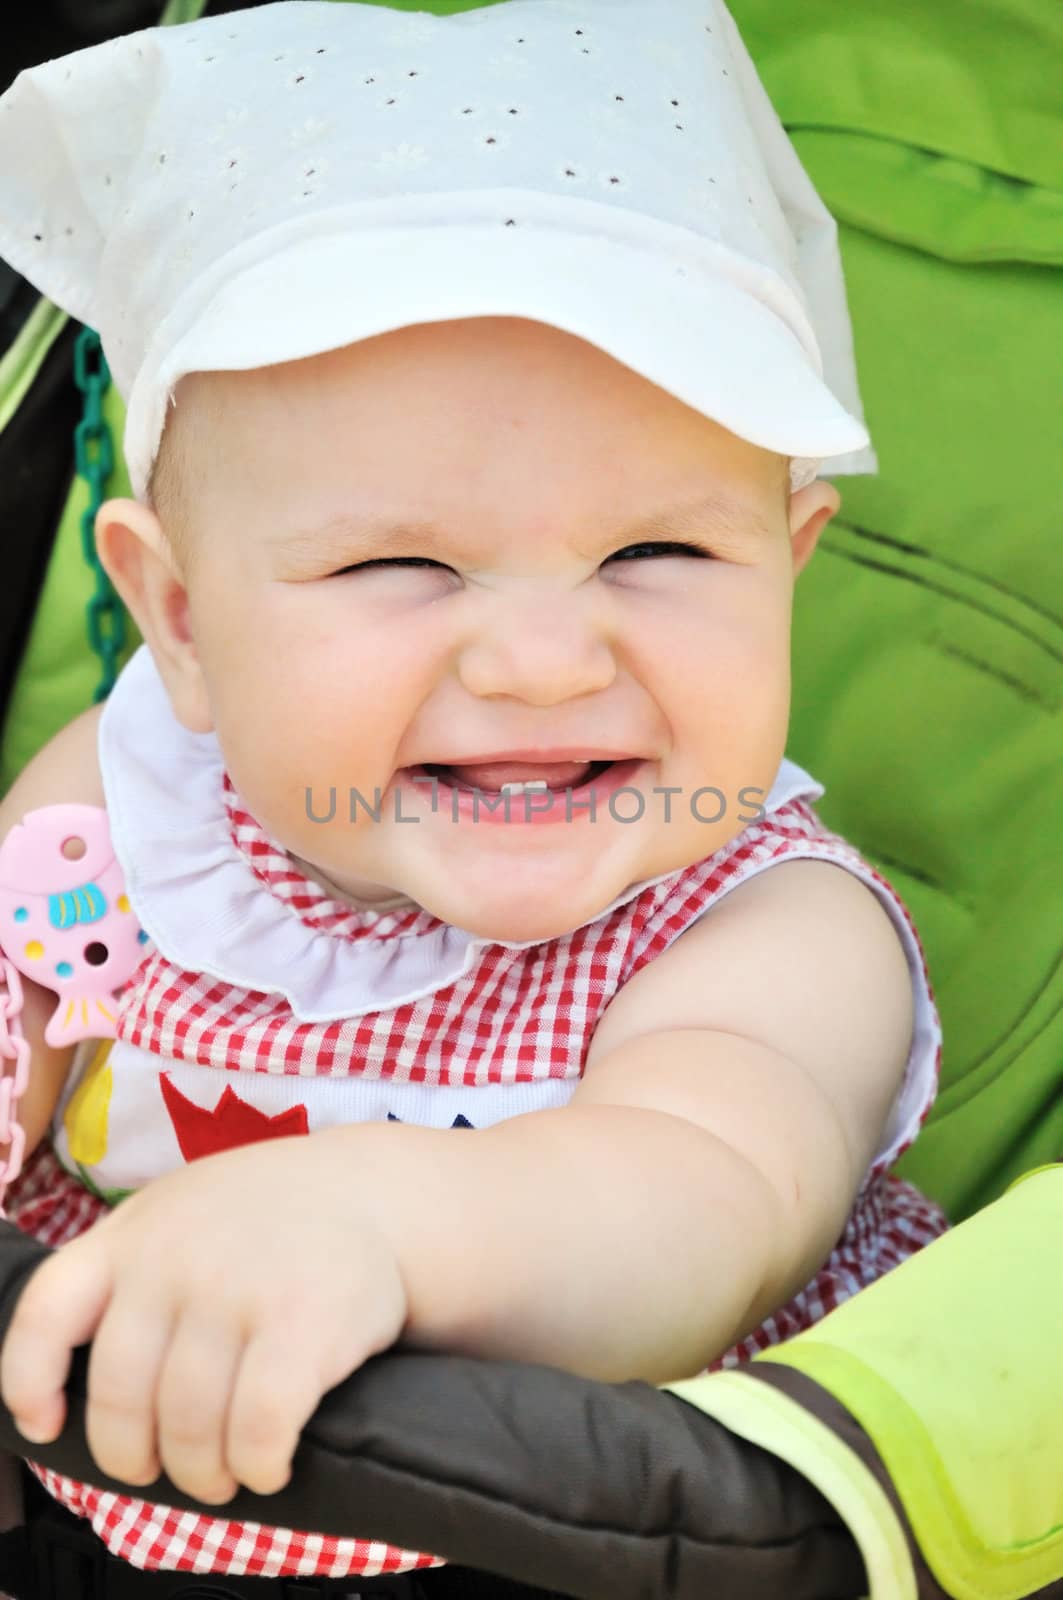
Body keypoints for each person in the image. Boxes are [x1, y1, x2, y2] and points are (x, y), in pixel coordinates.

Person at [0, 0, 948, 1587]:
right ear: (181, 621)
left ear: (786, 566)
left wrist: (383, 1227)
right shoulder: (134, 797)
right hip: (96, 1476)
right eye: (397, 565)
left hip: (553, 1542)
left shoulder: (773, 927)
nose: (540, 661)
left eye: (656, 552)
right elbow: (26, 1003)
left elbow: (703, 1204)